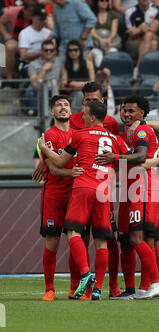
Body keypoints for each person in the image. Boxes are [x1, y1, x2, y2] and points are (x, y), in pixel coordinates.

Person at [39, 100, 131, 300]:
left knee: (73, 233)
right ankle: (96, 288)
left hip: (82, 189)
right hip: (102, 192)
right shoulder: (115, 138)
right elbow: (131, 157)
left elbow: (59, 161)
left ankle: (84, 274)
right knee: (101, 241)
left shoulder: (79, 135)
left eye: (84, 114)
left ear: (90, 117)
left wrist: (44, 151)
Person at [97, 94, 159, 300]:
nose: (126, 114)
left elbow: (141, 156)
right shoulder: (125, 135)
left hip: (143, 187)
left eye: (131, 111)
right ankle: (133, 289)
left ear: (142, 113)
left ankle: (154, 283)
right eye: (123, 110)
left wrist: (117, 158)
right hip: (130, 189)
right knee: (127, 239)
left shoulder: (143, 130)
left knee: (144, 238)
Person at [38, 94, 84, 301]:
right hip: (54, 195)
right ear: (52, 112)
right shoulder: (48, 136)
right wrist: (72, 173)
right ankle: (49, 289)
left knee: (75, 240)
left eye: (66, 105)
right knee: (52, 242)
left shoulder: (79, 135)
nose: (63, 108)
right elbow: (54, 170)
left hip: (76, 195)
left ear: (71, 111)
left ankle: (74, 288)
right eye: (58, 105)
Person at [21, 38, 61, 116]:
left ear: (55, 52)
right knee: (36, 93)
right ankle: (34, 113)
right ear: (41, 51)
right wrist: (44, 69)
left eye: (51, 50)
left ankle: (33, 112)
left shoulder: (59, 63)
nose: (48, 52)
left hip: (53, 92)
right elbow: (35, 85)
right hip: (37, 91)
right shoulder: (33, 64)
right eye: (46, 50)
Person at [125, 0, 159, 79]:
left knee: (150, 38)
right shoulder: (130, 11)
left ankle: (138, 69)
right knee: (152, 41)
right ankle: (148, 71)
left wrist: (139, 29)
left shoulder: (156, 10)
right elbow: (131, 33)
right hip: (134, 41)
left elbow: (154, 30)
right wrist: (141, 29)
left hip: (147, 39)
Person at [0, 1, 34, 81]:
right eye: (28, 12)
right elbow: (1, 22)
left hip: (32, 41)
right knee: (10, 47)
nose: (30, 15)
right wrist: (5, 34)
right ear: (23, 9)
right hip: (16, 39)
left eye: (32, 12)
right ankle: (9, 78)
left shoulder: (37, 15)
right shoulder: (13, 11)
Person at [60, 40, 95, 113]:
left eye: (75, 50)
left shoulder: (88, 63)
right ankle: (74, 117)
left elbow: (92, 82)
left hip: (87, 94)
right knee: (79, 94)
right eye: (70, 50)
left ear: (80, 51)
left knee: (81, 95)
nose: (73, 52)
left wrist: (74, 84)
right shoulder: (65, 66)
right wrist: (83, 84)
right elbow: (64, 84)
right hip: (71, 95)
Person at [18, 6, 51, 77]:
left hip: (45, 62)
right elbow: (23, 56)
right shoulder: (24, 33)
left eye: (44, 19)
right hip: (28, 63)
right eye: (40, 19)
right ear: (33, 18)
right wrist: (41, 53)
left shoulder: (49, 33)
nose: (42, 21)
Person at [90, 0, 121, 70]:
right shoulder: (92, 14)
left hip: (111, 42)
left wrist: (109, 40)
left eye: (107, 0)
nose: (104, 2)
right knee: (98, 56)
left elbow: (114, 31)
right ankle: (100, 74)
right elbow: (92, 31)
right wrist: (100, 40)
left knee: (112, 53)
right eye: (101, 0)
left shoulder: (113, 14)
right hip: (96, 43)